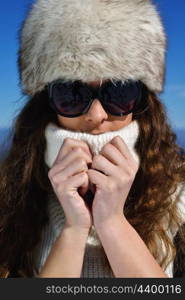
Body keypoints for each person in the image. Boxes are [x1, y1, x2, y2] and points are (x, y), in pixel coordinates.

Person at [0, 0, 185, 278]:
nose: (97, 115)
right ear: (46, 104)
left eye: (120, 92)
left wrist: (112, 222)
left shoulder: (178, 196)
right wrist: (74, 229)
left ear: (143, 102)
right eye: (70, 94)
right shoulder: (10, 198)